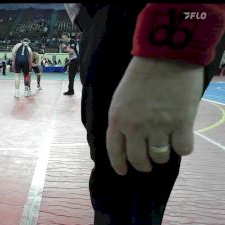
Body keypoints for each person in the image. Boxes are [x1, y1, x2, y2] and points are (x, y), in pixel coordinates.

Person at [64, 3, 225, 225]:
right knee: (115, 179)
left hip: (152, 16)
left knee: (132, 179)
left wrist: (177, 38)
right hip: (101, 24)